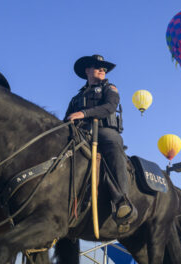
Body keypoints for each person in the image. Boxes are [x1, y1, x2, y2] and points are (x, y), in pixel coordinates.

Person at [64, 54, 137, 227]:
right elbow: (66, 118)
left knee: (113, 142)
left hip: (103, 132)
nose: (102, 70)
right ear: (87, 70)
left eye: (104, 68)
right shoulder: (76, 98)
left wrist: (84, 113)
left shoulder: (109, 88)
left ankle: (122, 201)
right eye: (98, 67)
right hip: (80, 133)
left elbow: (110, 107)